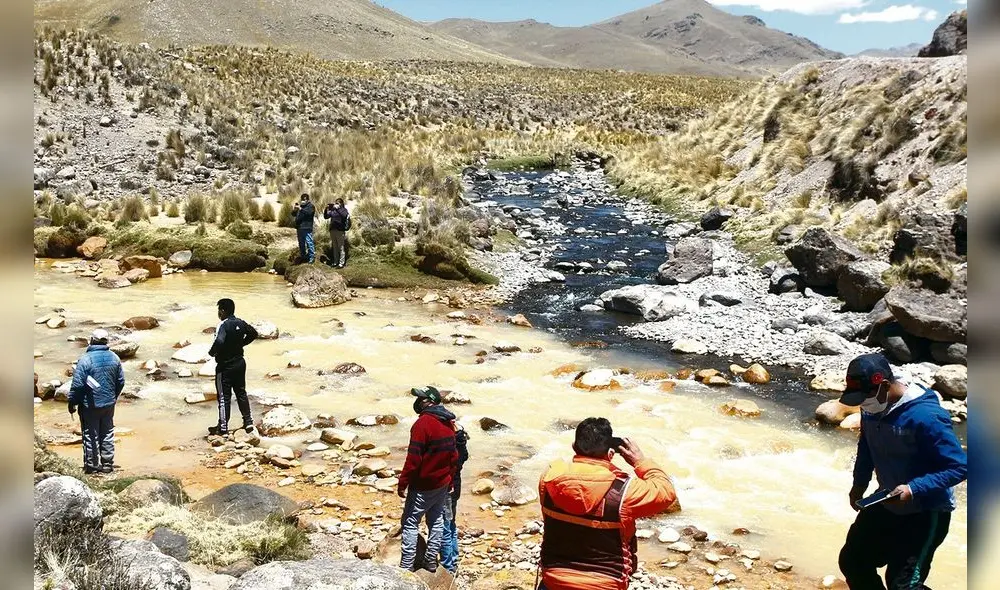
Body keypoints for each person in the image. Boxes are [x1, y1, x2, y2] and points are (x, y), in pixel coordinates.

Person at [837, 353, 967, 590]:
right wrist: (859, 484)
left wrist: (913, 488)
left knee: (903, 585)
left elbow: (959, 466)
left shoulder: (926, 416)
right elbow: (866, 445)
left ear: (885, 386)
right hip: (887, 499)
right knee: (853, 561)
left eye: (865, 398)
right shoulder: (872, 407)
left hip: (926, 511)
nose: (862, 404)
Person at [537, 417, 678, 590]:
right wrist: (640, 461)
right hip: (605, 584)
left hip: (554, 580)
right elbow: (666, 492)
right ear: (611, 454)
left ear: (574, 447)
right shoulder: (625, 492)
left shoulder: (549, 479)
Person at [398, 386, 459, 574]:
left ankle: (406, 568)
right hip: (442, 484)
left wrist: (403, 483)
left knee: (410, 522)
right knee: (436, 520)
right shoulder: (448, 422)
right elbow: (453, 457)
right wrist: (450, 481)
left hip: (423, 485)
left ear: (428, 402)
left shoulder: (422, 424)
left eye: (420, 399)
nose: (417, 402)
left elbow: (413, 459)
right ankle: (431, 561)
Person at [68, 329, 125, 474]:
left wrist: (72, 402)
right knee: (107, 433)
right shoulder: (115, 358)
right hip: (108, 404)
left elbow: (78, 385)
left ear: (92, 340)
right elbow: (121, 381)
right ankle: (107, 464)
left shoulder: (85, 359)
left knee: (90, 435)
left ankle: (92, 466)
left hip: (90, 405)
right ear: (106, 341)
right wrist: (113, 397)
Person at [207, 298, 259, 437]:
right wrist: (242, 343)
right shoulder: (241, 322)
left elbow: (219, 341)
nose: (218, 313)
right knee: (241, 392)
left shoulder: (223, 324)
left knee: (224, 397)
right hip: (240, 363)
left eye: (219, 310)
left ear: (223, 311)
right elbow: (253, 333)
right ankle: (248, 422)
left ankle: (223, 428)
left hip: (225, 366)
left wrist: (212, 352)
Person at [440, 422, 470, 575]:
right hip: (456, 486)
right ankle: (454, 559)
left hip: (447, 487)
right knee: (451, 523)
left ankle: (448, 566)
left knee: (444, 525)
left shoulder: (451, 447)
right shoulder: (461, 445)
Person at [323, 198, 351, 268]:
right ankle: (336, 262)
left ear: (341, 204)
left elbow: (344, 216)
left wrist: (338, 209)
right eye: (335, 203)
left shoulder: (343, 210)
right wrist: (326, 209)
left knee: (341, 247)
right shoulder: (333, 210)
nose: (336, 204)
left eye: (337, 203)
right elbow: (326, 216)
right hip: (332, 230)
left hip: (340, 231)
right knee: (335, 247)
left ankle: (341, 263)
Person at [292, 193, 315, 264]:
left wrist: (301, 209)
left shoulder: (311, 206)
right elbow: (293, 214)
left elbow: (309, 214)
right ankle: (303, 257)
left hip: (307, 227)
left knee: (309, 242)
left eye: (304, 199)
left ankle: (311, 257)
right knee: (301, 243)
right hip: (299, 227)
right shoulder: (300, 206)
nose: (303, 201)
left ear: (307, 200)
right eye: (302, 199)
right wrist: (294, 209)